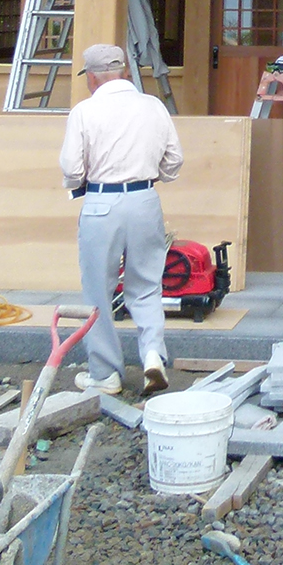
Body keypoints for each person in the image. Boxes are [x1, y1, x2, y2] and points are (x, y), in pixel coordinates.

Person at [57, 42, 182, 396]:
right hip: (144, 200)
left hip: (101, 202)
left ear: (92, 78)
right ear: (125, 72)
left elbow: (71, 169)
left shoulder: (84, 111)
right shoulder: (153, 106)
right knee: (147, 285)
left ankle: (105, 374)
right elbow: (174, 160)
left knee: (98, 291)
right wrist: (155, 174)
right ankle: (153, 355)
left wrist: (80, 182)